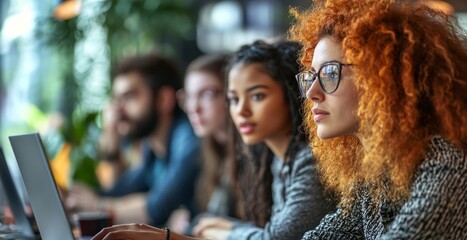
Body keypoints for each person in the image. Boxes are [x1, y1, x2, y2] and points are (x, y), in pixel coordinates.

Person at [92, 40, 335, 240]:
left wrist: (222, 230)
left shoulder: (307, 161)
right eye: (234, 99)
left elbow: (273, 238)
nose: (242, 110)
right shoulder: (274, 160)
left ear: (290, 94)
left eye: (257, 96)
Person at [288, 0, 467, 238]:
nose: (311, 93)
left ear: (382, 79)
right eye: (311, 76)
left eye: (329, 73)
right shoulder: (377, 171)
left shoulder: (448, 166)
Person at [66, 53, 201, 227]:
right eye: (117, 99)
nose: (117, 110)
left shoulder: (189, 139)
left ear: (163, 99)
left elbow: (157, 209)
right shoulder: (153, 149)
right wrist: (71, 198)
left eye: (129, 97)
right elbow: (120, 193)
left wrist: (95, 206)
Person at [177, 54, 237, 225]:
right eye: (188, 97)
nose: (194, 108)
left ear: (232, 94)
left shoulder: (253, 154)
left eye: (207, 94)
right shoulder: (211, 150)